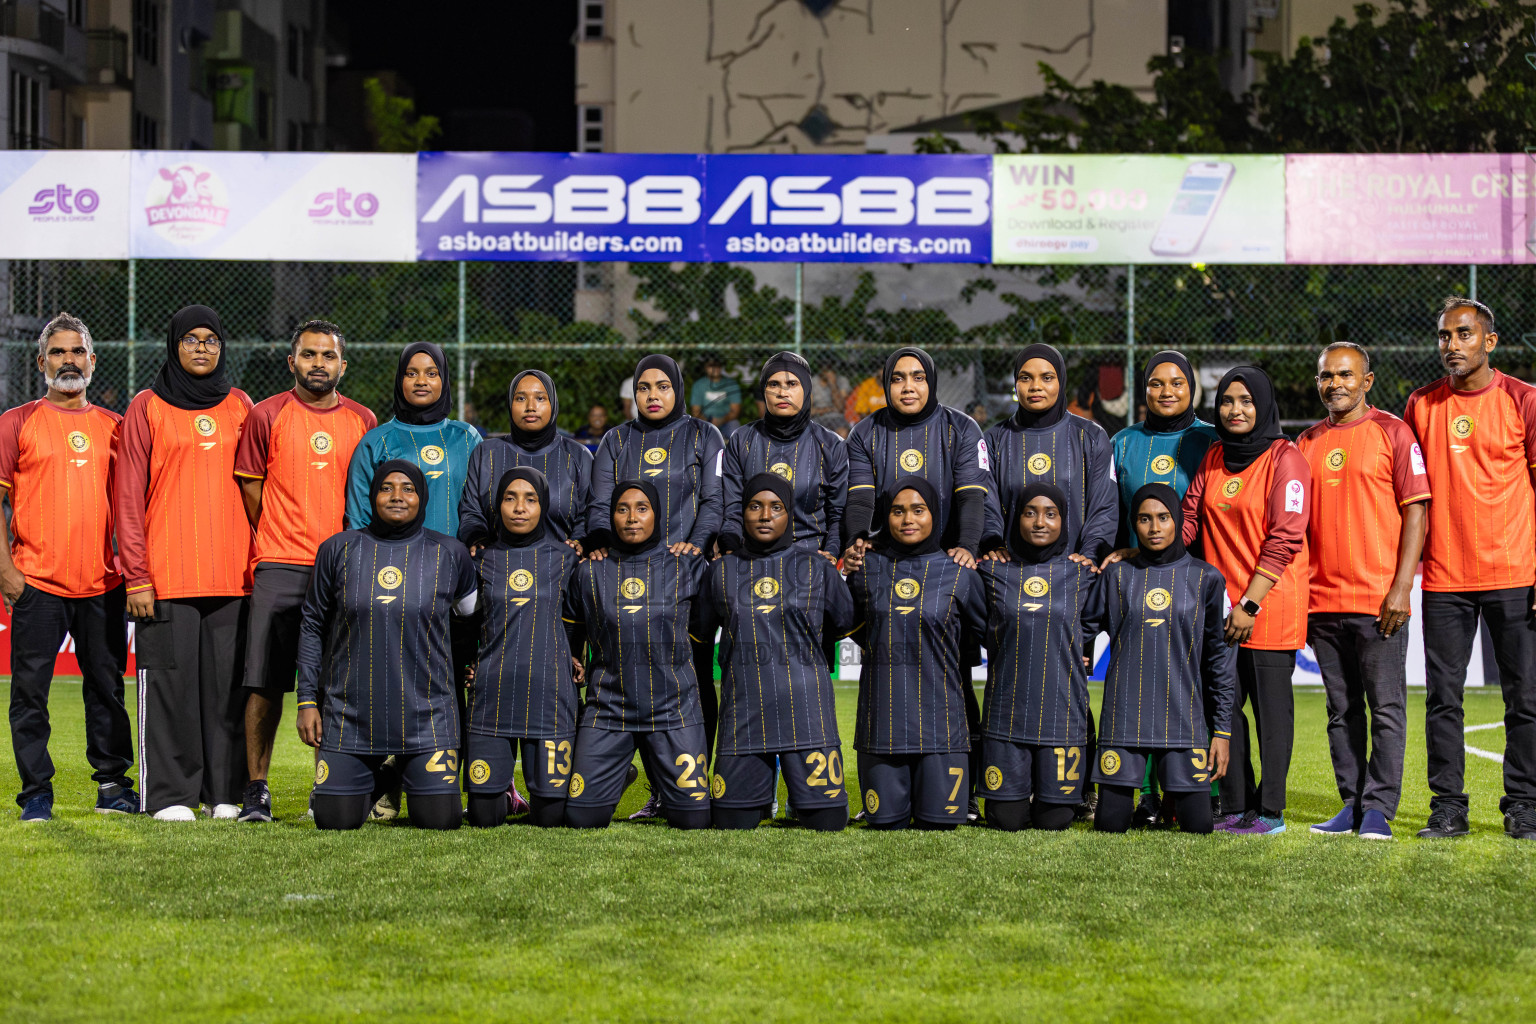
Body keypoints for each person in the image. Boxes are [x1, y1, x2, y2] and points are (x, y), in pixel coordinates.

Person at [232, 320, 375, 823]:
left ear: (342, 364)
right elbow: (252, 492)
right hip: (278, 565)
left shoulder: (363, 420)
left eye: (328, 356)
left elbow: (367, 496)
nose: (319, 364)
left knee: (335, 685)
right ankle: (256, 789)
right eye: (309, 355)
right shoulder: (265, 415)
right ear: (292, 361)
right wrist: (278, 534)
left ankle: (325, 788)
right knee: (265, 681)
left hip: (340, 570)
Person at [1405, 297, 1536, 842]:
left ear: (1490, 341)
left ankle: (1525, 807)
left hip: (1514, 571)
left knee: (1525, 699)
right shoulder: (1420, 405)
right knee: (1444, 699)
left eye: (1463, 335)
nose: (1451, 346)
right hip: (1445, 579)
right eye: (1443, 336)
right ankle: (1448, 807)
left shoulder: (1523, 400)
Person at [116, 305, 254, 821]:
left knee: (228, 692)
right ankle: (172, 795)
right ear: (174, 345)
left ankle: (225, 792)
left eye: (211, 339)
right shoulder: (146, 407)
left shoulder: (241, 405)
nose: (202, 347)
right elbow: (127, 498)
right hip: (166, 578)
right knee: (170, 692)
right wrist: (137, 575)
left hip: (233, 576)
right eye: (191, 339)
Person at [844, 346, 993, 820]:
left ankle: (962, 789)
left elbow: (972, 496)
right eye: (898, 379)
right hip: (889, 565)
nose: (908, 387)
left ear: (930, 382)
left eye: (917, 378)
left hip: (946, 573)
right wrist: (855, 541)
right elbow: (862, 500)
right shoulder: (866, 432)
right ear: (886, 385)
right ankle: (890, 772)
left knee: (956, 679)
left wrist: (966, 548)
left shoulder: (960, 428)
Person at [3, 313, 135, 823]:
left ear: (92, 361)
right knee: (29, 694)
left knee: (106, 688)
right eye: (57, 353)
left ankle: (112, 786)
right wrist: (6, 572)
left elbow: (131, 506)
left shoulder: (114, 428)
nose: (68, 361)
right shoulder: (16, 423)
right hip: (36, 581)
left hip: (102, 582)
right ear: (41, 363)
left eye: (77, 352)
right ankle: (36, 793)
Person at [295, 461, 477, 831]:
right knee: (334, 821)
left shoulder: (450, 553)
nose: (397, 496)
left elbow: (471, 619)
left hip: (427, 716)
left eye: (408, 488)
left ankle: (401, 770)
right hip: (351, 716)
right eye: (387, 488)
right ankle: (380, 776)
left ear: (422, 496)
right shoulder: (338, 549)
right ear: (372, 494)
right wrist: (306, 701)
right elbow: (312, 625)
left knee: (440, 821)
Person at [1297, 342, 1429, 841]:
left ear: (1367, 381)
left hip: (1380, 602)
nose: (1336, 384)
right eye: (1327, 376)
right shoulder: (1305, 442)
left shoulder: (1393, 432)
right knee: (1341, 710)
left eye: (1346, 375)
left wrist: (1401, 588)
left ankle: (1378, 810)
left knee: (1387, 707)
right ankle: (1350, 805)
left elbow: (1417, 510)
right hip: (1323, 603)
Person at [587, 354, 723, 819]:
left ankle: (684, 782)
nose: (653, 395)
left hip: (682, 580)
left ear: (677, 390)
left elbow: (713, 499)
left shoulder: (706, 435)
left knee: (695, 679)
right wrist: (604, 543)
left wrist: (697, 546)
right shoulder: (615, 440)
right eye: (644, 387)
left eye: (662, 386)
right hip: (624, 579)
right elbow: (601, 501)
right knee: (627, 680)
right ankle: (649, 784)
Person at [1177, 366, 1309, 835]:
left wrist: (1249, 605)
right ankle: (1234, 804)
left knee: (1272, 713)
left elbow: (1286, 537)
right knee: (1224, 710)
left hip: (1266, 607)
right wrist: (1151, 548)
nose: (1236, 410)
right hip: (1220, 609)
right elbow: (1190, 518)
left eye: (1247, 401)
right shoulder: (1213, 456)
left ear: (1264, 406)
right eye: (1228, 401)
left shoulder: (1285, 458)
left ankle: (1270, 810)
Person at [695, 473, 855, 831]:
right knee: (730, 822)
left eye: (775, 507)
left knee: (827, 822)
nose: (765, 515)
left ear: (789, 516)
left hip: (807, 713)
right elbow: (701, 634)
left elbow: (845, 622)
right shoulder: (721, 572)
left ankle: (799, 797)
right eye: (755, 506)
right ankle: (762, 796)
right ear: (743, 513)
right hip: (744, 714)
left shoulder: (817, 568)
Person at [1109, 349, 1220, 825]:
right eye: (1156, 383)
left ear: (1191, 387)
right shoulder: (1123, 442)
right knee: (1141, 686)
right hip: (1136, 579)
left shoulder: (1213, 439)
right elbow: (1111, 512)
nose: (1166, 391)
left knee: (1197, 685)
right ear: (1144, 390)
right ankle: (1150, 798)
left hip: (1197, 582)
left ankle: (1208, 789)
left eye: (1177, 382)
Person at [562, 481, 712, 830]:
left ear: (657, 515)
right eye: (622, 509)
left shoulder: (686, 567)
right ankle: (619, 771)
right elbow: (571, 633)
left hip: (674, 707)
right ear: (611, 517)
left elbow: (703, 632)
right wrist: (575, 659)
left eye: (642, 508)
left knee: (694, 821)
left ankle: (665, 773)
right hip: (609, 708)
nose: (632, 518)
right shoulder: (589, 571)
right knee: (581, 818)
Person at [1090, 485, 1235, 834]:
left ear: (1177, 521)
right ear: (1133, 524)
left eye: (1163, 518)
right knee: (1110, 825)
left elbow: (1219, 659)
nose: (1154, 528)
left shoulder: (1207, 578)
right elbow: (1080, 632)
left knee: (1198, 825)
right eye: (1144, 519)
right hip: (1125, 718)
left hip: (1183, 719)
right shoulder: (1117, 575)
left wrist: (1222, 730)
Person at [844, 478, 987, 830]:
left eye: (918, 510)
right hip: (882, 726)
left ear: (935, 515)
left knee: (939, 826)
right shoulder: (866, 569)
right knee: (885, 825)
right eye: (897, 511)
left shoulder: (960, 573)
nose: (908, 519)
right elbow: (851, 625)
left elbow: (991, 634)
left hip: (943, 728)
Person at [976, 483, 1099, 832]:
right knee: (1005, 819)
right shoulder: (990, 573)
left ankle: (1072, 790)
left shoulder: (1084, 574)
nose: (1039, 522)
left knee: (1055, 820)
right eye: (1030, 512)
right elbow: (974, 622)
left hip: (1061, 715)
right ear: (1015, 518)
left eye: (1050, 513)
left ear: (1064, 520)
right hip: (1007, 715)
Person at [464, 467, 583, 828]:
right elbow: (466, 622)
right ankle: (506, 793)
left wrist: (577, 655)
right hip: (493, 692)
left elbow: (580, 617)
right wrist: (467, 662)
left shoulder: (566, 558)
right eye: (510, 498)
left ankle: (600, 779)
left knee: (551, 817)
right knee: (484, 818)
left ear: (543, 505)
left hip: (550, 693)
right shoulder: (480, 560)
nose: (519, 508)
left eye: (530, 499)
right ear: (497, 505)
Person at [983, 344, 1116, 565]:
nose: (1035, 386)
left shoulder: (1091, 437)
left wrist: (1090, 555)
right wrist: (993, 544)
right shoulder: (993, 440)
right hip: (1011, 569)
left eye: (1046, 378)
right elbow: (987, 505)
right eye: (1025, 378)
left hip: (1075, 568)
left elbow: (1104, 505)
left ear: (1061, 382)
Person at [346, 341, 481, 539]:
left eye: (432, 373)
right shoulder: (376, 441)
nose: (421, 381)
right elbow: (359, 519)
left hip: (456, 562)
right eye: (411, 373)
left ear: (444, 379)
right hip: (394, 563)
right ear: (400, 379)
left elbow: (484, 505)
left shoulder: (467, 437)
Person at [719, 351, 847, 560]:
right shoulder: (742, 440)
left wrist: (830, 553)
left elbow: (838, 514)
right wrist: (731, 551)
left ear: (806, 390)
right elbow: (732, 507)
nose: (782, 392)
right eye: (773, 384)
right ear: (764, 392)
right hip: (752, 556)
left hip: (812, 555)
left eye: (792, 384)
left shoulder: (831, 445)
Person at [457, 370, 592, 551]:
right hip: (496, 567)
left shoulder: (577, 455)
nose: (530, 406)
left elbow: (589, 513)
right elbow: (472, 511)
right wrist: (477, 538)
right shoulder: (486, 453)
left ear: (553, 404)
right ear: (509, 404)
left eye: (540, 398)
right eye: (520, 398)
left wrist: (579, 542)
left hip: (562, 569)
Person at [689, 352, 742, 438]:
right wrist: (709, 423)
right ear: (705, 367)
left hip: (726, 421)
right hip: (705, 420)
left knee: (735, 428)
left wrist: (720, 421)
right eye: (711, 365)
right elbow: (696, 411)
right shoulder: (698, 385)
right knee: (694, 429)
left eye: (717, 365)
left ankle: (733, 450)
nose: (715, 368)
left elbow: (735, 411)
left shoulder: (731, 384)